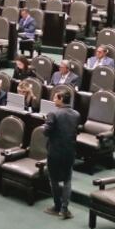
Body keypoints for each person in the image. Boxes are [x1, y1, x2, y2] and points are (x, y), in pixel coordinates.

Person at [42, 90, 79, 220]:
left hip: (55, 152)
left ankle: (57, 206)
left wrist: (45, 124)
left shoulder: (54, 114)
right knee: (68, 179)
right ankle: (64, 209)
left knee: (54, 180)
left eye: (55, 97)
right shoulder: (76, 114)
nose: (53, 99)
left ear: (61, 98)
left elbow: (46, 132)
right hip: (69, 151)